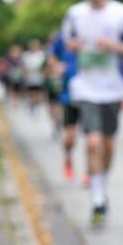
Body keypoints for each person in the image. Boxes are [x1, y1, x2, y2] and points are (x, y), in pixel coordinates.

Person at [62, 0, 123, 228]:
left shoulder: (122, 13)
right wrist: (74, 46)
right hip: (85, 88)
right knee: (93, 142)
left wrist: (114, 46)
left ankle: (101, 184)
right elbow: (67, 42)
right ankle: (97, 198)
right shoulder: (75, 13)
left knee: (108, 145)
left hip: (113, 88)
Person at [48, 30, 84, 183]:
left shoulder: (95, 33)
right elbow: (51, 58)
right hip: (69, 95)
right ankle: (68, 158)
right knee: (70, 137)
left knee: (93, 139)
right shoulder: (63, 36)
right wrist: (57, 66)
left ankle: (90, 174)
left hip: (93, 95)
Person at [21, 38, 46, 114]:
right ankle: (32, 105)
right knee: (31, 92)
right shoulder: (26, 55)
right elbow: (23, 67)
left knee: (38, 92)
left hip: (39, 77)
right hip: (30, 77)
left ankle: (36, 105)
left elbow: (45, 66)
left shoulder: (42, 54)